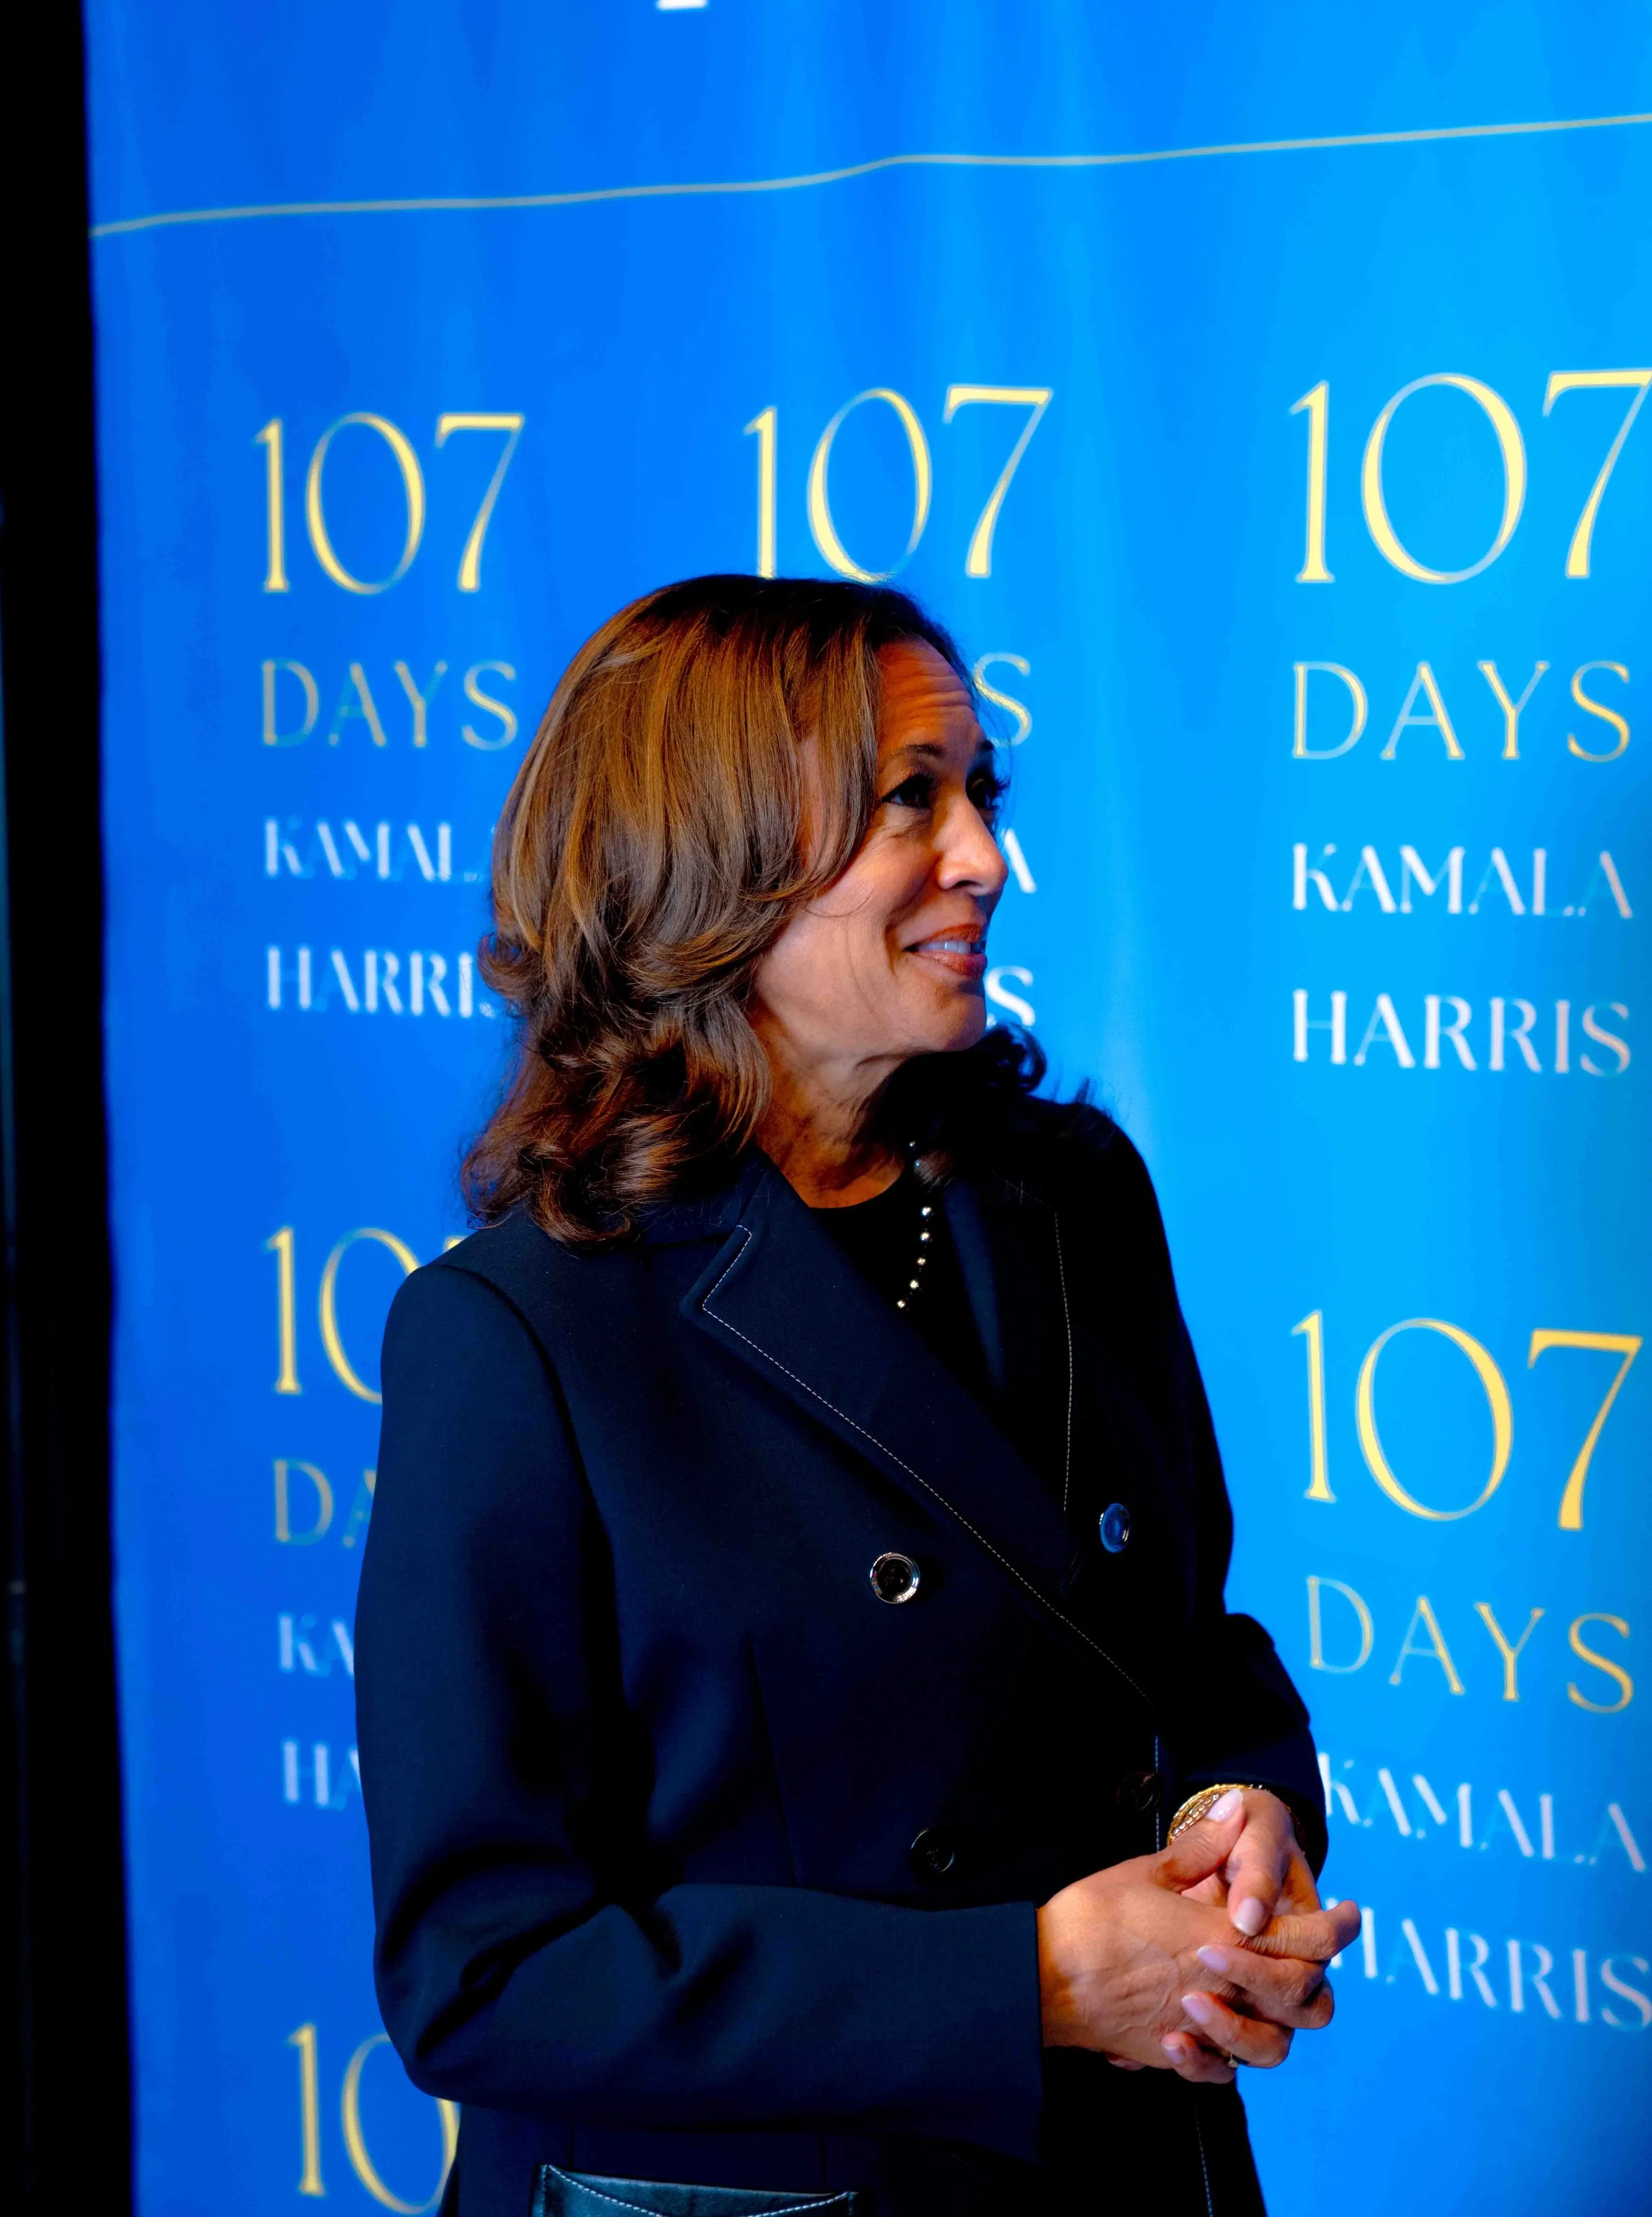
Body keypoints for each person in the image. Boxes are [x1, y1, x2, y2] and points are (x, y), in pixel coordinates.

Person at [356, 575, 1359, 2217]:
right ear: (716, 855)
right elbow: (487, 1970)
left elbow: (1186, 1656)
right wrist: (1019, 1982)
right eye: (912, 800)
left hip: (1125, 2171)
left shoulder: (1073, 1195)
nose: (983, 858)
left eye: (982, 793)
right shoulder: (512, 1337)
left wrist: (1235, 1804)